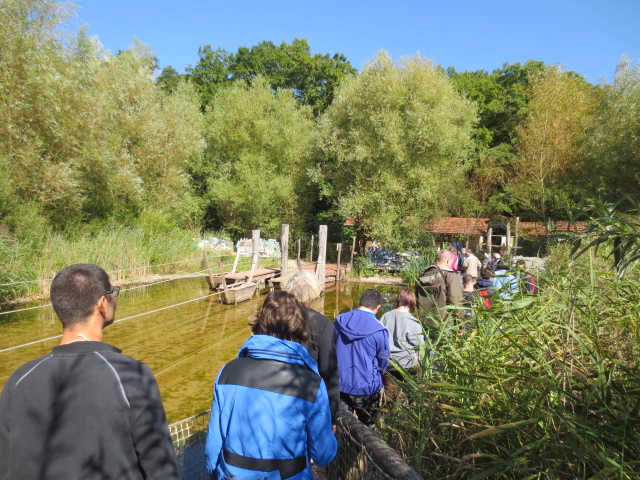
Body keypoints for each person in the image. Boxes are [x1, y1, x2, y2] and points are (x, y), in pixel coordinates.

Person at [0, 264, 179, 480]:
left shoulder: (19, 379)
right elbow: (160, 468)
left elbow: (6, 464)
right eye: (113, 293)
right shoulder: (131, 375)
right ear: (102, 303)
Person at [205, 291, 336, 480]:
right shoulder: (311, 383)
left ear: (260, 323)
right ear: (299, 327)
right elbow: (323, 454)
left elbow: (213, 447)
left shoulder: (228, 372)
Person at [281, 269, 339, 420]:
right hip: (307, 395)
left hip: (277, 391)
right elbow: (328, 369)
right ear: (313, 292)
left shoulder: (275, 318)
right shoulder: (322, 323)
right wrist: (332, 412)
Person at [334, 289, 389, 426]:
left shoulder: (340, 321)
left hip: (341, 384)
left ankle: (343, 446)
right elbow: (383, 360)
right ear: (378, 307)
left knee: (343, 426)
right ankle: (362, 448)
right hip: (367, 387)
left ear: (361, 302)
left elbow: (332, 346)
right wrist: (379, 376)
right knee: (368, 428)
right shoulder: (379, 330)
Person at [380, 289, 424, 401]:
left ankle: (387, 415)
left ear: (398, 300)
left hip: (388, 362)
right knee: (412, 390)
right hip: (407, 363)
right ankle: (410, 409)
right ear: (412, 302)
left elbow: (379, 338)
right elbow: (420, 345)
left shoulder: (386, 316)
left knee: (389, 394)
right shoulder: (413, 321)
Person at [416, 248, 463, 328]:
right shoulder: (450, 275)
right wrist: (461, 326)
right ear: (448, 260)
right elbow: (456, 302)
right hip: (444, 325)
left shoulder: (423, 275)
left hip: (424, 324)